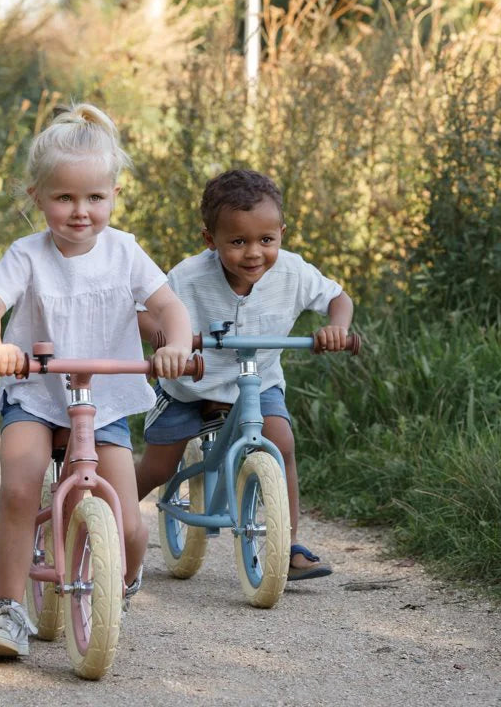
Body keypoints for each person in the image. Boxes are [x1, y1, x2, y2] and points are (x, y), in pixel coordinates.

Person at [0, 103, 192, 659]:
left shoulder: (126, 251)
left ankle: (122, 580)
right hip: (37, 394)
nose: (80, 211)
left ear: (114, 195)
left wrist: (178, 345)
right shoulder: (26, 254)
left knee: (129, 523)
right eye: (63, 198)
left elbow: (169, 306)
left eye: (95, 198)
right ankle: (8, 610)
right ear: (36, 197)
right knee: (20, 488)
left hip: (105, 399)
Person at [135, 168, 353, 581]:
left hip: (257, 382)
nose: (254, 252)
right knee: (160, 467)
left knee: (282, 442)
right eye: (238, 242)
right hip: (189, 385)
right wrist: (166, 344)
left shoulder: (292, 272)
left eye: (266, 240)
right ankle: (108, 522)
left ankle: (287, 546)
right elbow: (148, 314)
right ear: (210, 240)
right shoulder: (188, 276)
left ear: (282, 233)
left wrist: (336, 327)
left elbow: (338, 297)